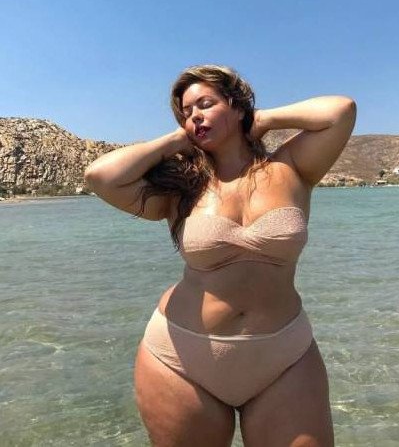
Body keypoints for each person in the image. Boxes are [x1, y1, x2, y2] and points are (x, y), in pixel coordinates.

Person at [84, 64, 356, 447]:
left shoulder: (292, 167)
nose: (194, 116)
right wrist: (175, 141)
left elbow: (341, 111)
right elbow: (100, 176)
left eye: (205, 104)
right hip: (182, 359)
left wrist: (264, 119)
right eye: (185, 113)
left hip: (284, 357)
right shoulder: (180, 188)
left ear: (236, 105)